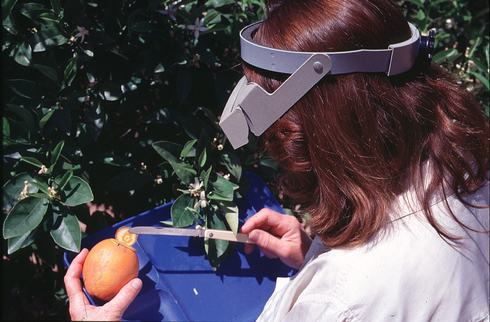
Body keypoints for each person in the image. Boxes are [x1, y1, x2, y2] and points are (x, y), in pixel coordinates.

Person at [64, 0, 489, 321]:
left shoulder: (344, 300)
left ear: (323, 124)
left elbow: (360, 293)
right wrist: (312, 255)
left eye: (282, 124)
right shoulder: (466, 165)